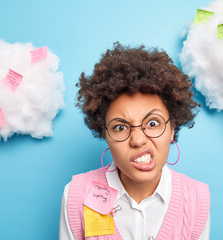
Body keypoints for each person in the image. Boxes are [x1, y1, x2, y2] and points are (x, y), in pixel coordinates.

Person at [59, 42, 210, 240]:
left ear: (172, 128)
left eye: (153, 123)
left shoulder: (197, 198)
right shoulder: (76, 194)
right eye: (120, 127)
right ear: (105, 134)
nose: (138, 140)